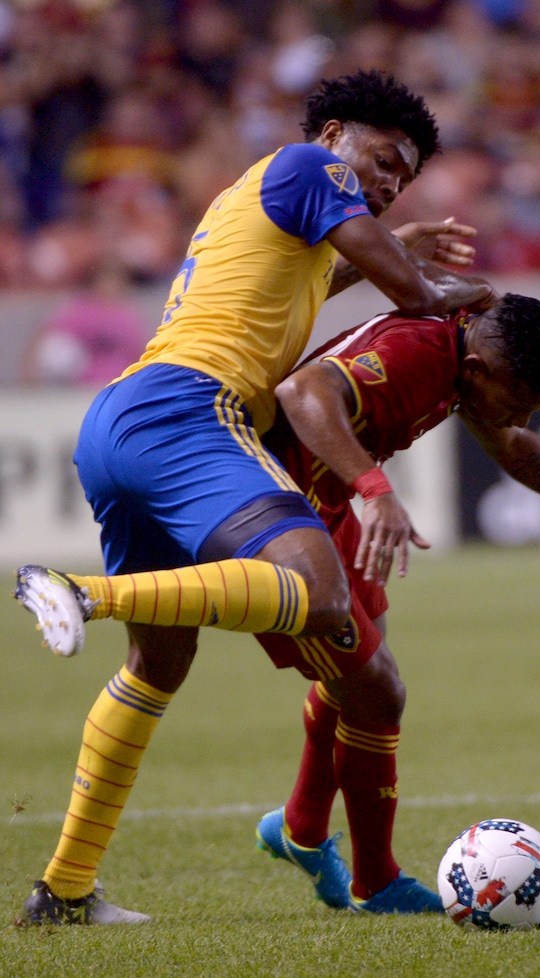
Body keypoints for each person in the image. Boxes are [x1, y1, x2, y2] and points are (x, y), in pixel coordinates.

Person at [15, 293, 540, 923]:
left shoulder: (461, 363)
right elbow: (302, 393)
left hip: (323, 501)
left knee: (360, 663)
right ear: (480, 370)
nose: (521, 417)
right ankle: (376, 880)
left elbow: (515, 447)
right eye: (520, 400)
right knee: (377, 691)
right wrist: (376, 486)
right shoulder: (420, 353)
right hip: (277, 501)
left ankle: (302, 827)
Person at [12, 67, 494, 925]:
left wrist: (390, 249)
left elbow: (292, 290)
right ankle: (81, 592)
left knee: (158, 664)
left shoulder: (281, 200)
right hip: (190, 411)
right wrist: (483, 304)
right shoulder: (314, 169)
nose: (388, 184)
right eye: (386, 160)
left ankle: (65, 891)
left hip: (121, 418)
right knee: (317, 590)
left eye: (404, 177)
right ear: (337, 131)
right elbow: (419, 300)